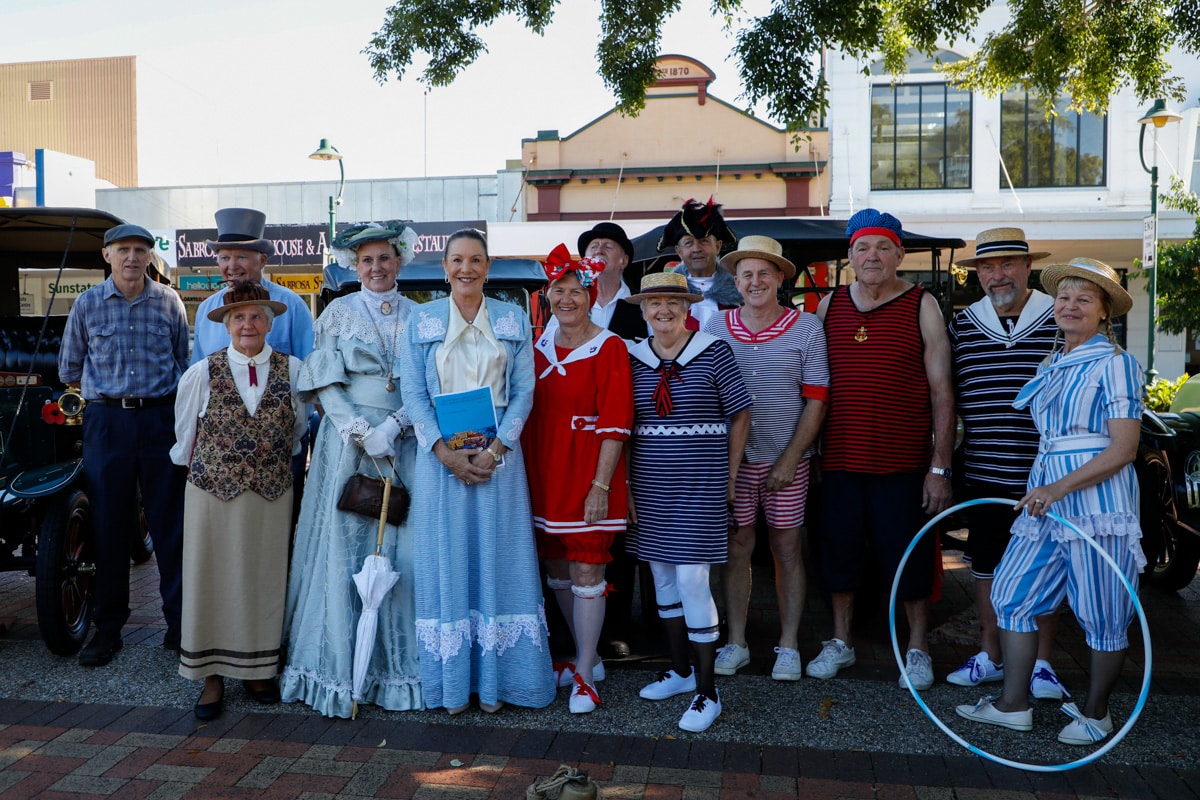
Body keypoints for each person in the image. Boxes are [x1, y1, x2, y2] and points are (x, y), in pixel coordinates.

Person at [956, 257, 1144, 746]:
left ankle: (1096, 713)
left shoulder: (1116, 363)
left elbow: (1123, 448)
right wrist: (1046, 486)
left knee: (1103, 614)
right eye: (1064, 297)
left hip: (1097, 506)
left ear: (1104, 312)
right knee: (1011, 594)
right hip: (1043, 499)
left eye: (1084, 299)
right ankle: (1013, 706)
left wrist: (1059, 487)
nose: (1070, 306)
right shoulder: (1051, 363)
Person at [400, 228, 555, 713]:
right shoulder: (422, 320)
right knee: (447, 558)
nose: (466, 269)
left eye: (476, 260)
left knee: (499, 558)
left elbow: (525, 390)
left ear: (488, 267)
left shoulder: (511, 318)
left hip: (500, 462)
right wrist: (444, 452)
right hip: (439, 462)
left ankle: (502, 682)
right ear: (444, 267)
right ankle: (453, 683)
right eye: (457, 260)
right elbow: (412, 393)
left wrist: (497, 448)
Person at [280, 222, 424, 718]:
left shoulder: (422, 315)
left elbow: (430, 381)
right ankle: (339, 666)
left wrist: (400, 425)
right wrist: (362, 431)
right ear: (353, 265)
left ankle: (399, 671)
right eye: (367, 260)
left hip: (407, 442)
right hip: (351, 444)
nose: (377, 268)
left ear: (400, 260)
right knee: (347, 538)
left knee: (405, 545)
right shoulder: (338, 313)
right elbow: (324, 383)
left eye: (385, 258)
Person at [810, 208, 954, 690]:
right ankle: (841, 642)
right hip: (841, 460)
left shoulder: (922, 304)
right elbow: (811, 384)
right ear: (850, 255)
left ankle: (917, 648)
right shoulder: (829, 306)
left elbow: (942, 391)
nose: (872, 256)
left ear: (899, 254)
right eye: (862, 248)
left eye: (882, 247)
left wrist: (941, 465)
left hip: (904, 462)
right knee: (840, 553)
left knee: (908, 556)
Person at [171, 282, 307, 720]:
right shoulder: (202, 372)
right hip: (212, 491)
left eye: (256, 317)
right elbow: (184, 440)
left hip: (270, 491)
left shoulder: (295, 370)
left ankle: (258, 668)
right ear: (226, 325)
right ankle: (211, 676)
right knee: (209, 578)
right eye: (239, 318)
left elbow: (298, 430)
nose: (248, 324)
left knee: (264, 578)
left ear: (269, 323)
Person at [58, 222, 190, 666]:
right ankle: (108, 628)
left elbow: (183, 363)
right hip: (106, 422)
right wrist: (105, 401)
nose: (133, 257)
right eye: (123, 249)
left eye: (141, 249)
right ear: (107, 255)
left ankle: (179, 625)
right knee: (108, 526)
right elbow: (69, 367)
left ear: (150, 257)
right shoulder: (87, 304)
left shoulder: (169, 302)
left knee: (169, 525)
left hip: (160, 420)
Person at [626, 271, 751, 733]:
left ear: (688, 308)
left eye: (673, 303)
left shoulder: (713, 351)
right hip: (651, 485)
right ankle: (680, 671)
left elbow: (740, 414)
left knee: (693, 580)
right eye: (655, 303)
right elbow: (622, 425)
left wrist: (731, 475)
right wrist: (625, 486)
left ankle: (708, 691)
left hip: (701, 482)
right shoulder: (633, 358)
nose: (664, 310)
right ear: (642, 310)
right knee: (661, 577)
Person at [947, 227, 1067, 699]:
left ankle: (1042, 664)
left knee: (1047, 566)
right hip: (983, 469)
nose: (998, 276)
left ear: (1027, 267)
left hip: (1048, 474)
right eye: (987, 267)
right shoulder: (961, 322)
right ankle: (991, 654)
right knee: (986, 564)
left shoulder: (1059, 316)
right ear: (978, 273)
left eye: (1007, 265)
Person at [702, 236, 828, 681]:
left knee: (788, 549)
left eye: (764, 273)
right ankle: (735, 641)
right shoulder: (716, 327)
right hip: (733, 463)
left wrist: (792, 458)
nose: (755, 281)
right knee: (736, 551)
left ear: (780, 278)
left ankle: (789, 645)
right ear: (735, 282)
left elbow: (816, 399)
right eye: (746, 274)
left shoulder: (806, 326)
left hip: (786, 461)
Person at [523, 244, 634, 714]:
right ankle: (583, 656)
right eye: (558, 290)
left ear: (591, 295)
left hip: (588, 471)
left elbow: (616, 424)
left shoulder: (610, 347)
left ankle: (586, 673)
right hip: (543, 470)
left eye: (575, 291)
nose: (566, 299)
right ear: (548, 295)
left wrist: (601, 487)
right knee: (557, 569)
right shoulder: (536, 345)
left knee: (589, 568)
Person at [192, 208, 314, 364]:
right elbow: (197, 371)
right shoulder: (206, 310)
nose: (232, 266)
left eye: (241, 257)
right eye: (224, 258)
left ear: (262, 260)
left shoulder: (291, 305)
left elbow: (310, 368)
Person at [658, 198, 741, 330]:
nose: (697, 249)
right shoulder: (664, 299)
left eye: (704, 241)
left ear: (718, 246)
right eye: (688, 243)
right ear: (679, 251)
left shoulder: (742, 296)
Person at [576, 221, 647, 341]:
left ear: (623, 261)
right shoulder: (572, 301)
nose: (599, 251)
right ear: (584, 260)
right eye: (593, 246)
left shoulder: (642, 304)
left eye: (608, 247)